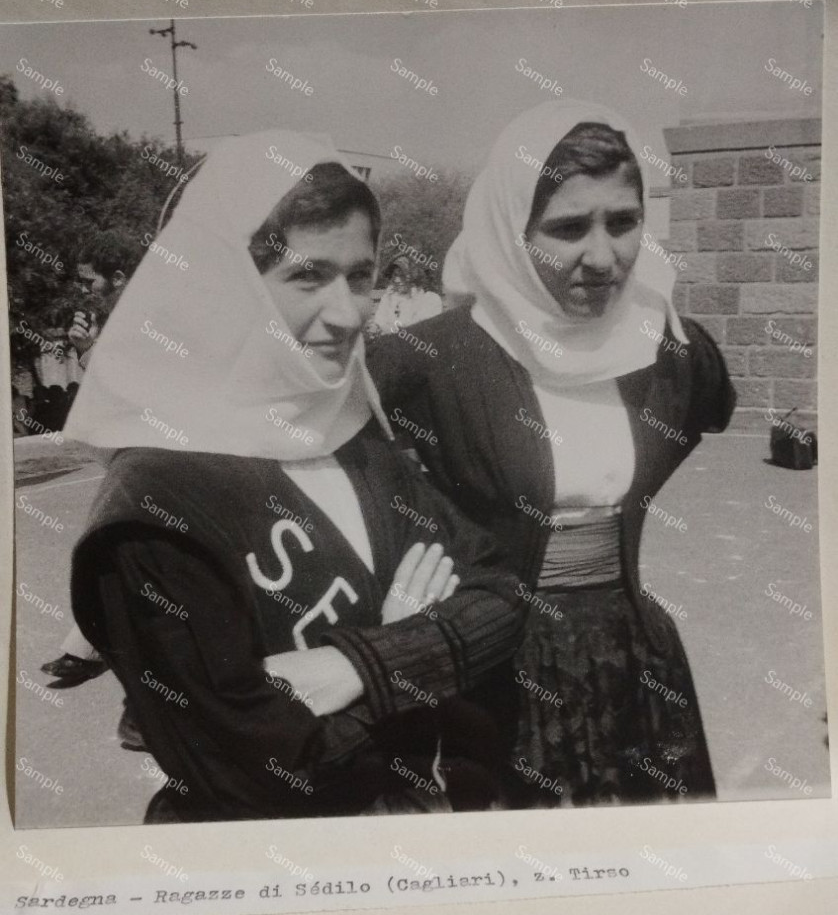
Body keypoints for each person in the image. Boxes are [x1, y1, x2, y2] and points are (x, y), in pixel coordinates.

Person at [64, 130, 524, 824]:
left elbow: (503, 594)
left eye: (360, 276)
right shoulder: (153, 506)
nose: (347, 314)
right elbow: (271, 773)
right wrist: (412, 652)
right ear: (222, 284)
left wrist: (354, 665)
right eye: (308, 276)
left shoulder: (347, 432)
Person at [368, 99, 736, 808]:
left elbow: (710, 409)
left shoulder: (669, 353)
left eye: (623, 222)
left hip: (638, 670)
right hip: (494, 676)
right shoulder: (432, 360)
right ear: (511, 231)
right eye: (568, 228)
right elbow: (291, 434)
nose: (602, 257)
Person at [40, 261, 129, 692]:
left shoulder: (144, 317)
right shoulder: (112, 318)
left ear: (120, 275)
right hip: (128, 453)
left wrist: (91, 352)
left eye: (89, 279)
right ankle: (90, 647)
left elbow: (135, 390)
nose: (83, 290)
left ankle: (94, 652)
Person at [370, 255, 442, 335]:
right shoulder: (388, 298)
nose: (397, 280)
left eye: (402, 275)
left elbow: (414, 328)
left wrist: (389, 328)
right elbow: (379, 322)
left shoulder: (429, 299)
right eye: (394, 275)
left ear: (412, 277)